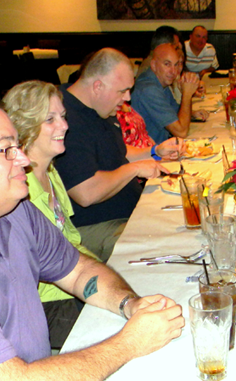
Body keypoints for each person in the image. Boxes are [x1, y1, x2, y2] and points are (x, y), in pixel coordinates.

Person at [0, 94, 184, 380]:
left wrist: (128, 304)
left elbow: (78, 271)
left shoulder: (10, 208)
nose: (24, 160)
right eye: (6, 150)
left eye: (19, 146)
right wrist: (129, 344)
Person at [3, 80, 103, 349]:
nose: (64, 126)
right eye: (50, 119)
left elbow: (72, 239)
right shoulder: (19, 191)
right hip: (45, 305)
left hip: (68, 287)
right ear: (25, 127)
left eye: (63, 116)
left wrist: (103, 271)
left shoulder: (49, 172)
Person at [56, 48, 180, 262]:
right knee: (169, 245)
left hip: (126, 212)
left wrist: (153, 152)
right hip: (95, 227)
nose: (127, 98)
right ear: (97, 86)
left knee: (183, 220)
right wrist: (134, 169)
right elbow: (85, 193)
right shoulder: (65, 119)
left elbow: (118, 152)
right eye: (122, 91)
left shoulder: (98, 105)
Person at [132, 43, 208, 144]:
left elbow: (176, 113)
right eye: (167, 64)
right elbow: (181, 132)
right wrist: (187, 94)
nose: (173, 71)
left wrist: (192, 113)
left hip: (162, 148)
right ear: (153, 65)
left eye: (176, 64)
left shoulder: (160, 81)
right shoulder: (149, 89)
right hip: (151, 154)